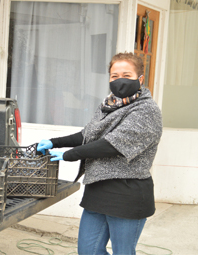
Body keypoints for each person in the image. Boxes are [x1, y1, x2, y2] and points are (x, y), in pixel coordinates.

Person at [37, 52, 162, 255]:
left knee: (123, 252)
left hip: (127, 192)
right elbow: (88, 134)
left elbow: (112, 145)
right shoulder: (108, 105)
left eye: (127, 75)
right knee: (88, 251)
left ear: (140, 79)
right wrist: (54, 142)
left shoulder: (147, 110)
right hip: (98, 189)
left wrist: (71, 154)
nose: (119, 80)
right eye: (114, 76)